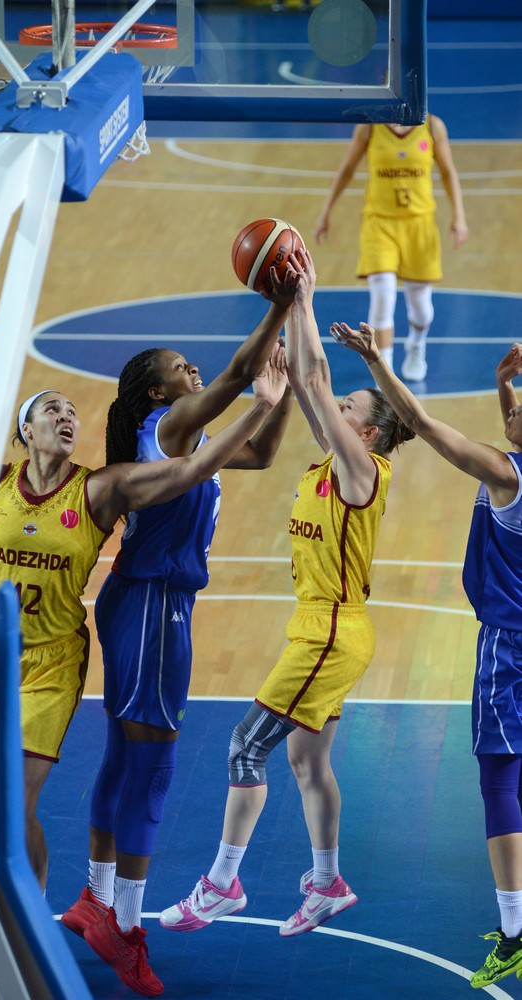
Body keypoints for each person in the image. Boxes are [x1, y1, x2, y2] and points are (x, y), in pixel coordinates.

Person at [158, 249, 414, 947]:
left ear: (367, 432)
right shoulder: (337, 459)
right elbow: (307, 381)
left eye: (349, 409)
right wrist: (289, 341)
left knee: (245, 747)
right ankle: (327, 881)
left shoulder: (363, 471)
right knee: (306, 761)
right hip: (327, 630)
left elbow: (317, 378)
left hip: (329, 633)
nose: (336, 408)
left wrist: (303, 297)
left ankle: (223, 883)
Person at [61, 275, 300, 996]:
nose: (193, 368)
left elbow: (260, 454)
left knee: (122, 757)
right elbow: (234, 375)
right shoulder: (166, 428)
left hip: (141, 604)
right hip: (154, 608)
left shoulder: (178, 437)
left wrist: (281, 395)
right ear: (157, 393)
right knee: (154, 770)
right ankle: (125, 928)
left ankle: (96, 898)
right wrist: (282, 302)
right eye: (179, 367)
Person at [0, 360, 289, 896]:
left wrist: (266, 403)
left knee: (13, 800)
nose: (66, 416)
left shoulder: (99, 487)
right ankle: (74, 903)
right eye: (52, 409)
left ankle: (31, 917)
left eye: (72, 411)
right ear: (26, 428)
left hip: (49, 663)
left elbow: (195, 468)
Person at [328, 321, 522, 990]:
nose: (514, 410)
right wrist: (502, 386)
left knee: (500, 783)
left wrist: (377, 362)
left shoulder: (505, 474)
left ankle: (516, 932)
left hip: (508, 648)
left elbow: (419, 422)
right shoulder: (512, 464)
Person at [313, 116, 468, 380]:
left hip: (419, 223)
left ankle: (416, 343)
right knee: (382, 295)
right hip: (379, 222)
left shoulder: (432, 126)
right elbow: (347, 169)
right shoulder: (369, 127)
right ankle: (385, 374)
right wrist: (326, 211)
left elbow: (448, 171)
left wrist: (459, 214)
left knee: (421, 307)